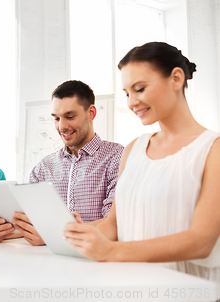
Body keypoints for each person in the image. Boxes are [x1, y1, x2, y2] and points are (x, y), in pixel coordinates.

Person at [64, 42, 220, 291]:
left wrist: (112, 251)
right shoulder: (134, 149)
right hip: (129, 287)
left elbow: (201, 242)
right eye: (127, 93)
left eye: (139, 89)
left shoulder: (213, 149)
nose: (132, 102)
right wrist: (78, 234)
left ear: (176, 78)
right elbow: (113, 224)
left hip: (189, 291)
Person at [0, 80, 124, 245]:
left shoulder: (117, 157)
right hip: (48, 263)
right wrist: (2, 231)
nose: (62, 126)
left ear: (91, 113)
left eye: (70, 116)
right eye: (56, 118)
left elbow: (114, 225)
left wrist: (54, 234)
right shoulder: (44, 167)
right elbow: (31, 223)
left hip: (95, 262)